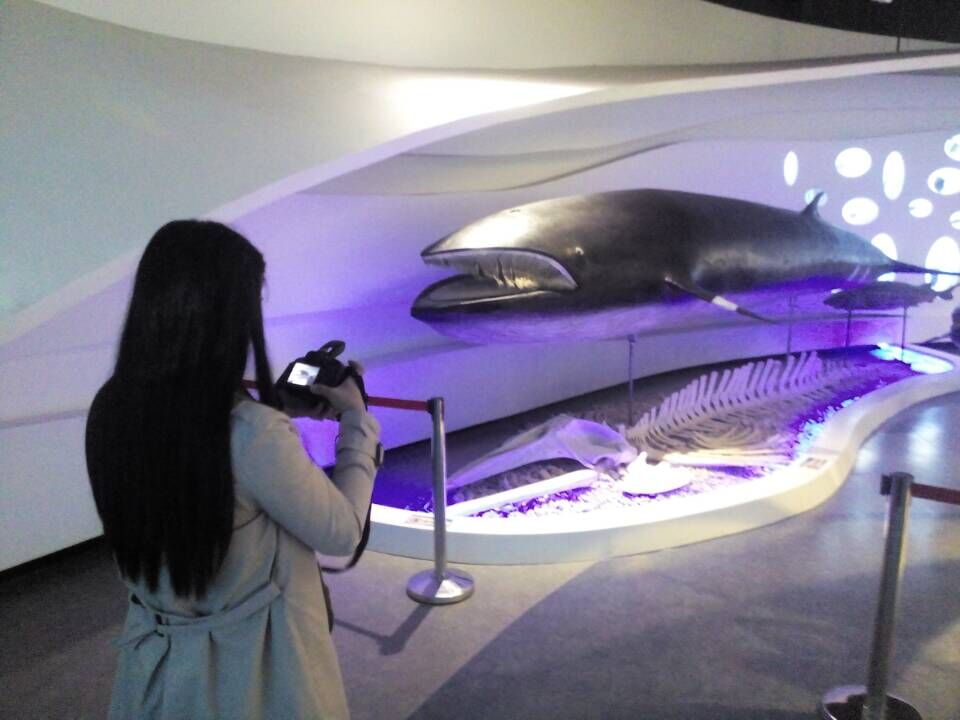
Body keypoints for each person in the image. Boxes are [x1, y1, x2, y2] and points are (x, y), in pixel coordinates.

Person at [85, 220, 381, 719]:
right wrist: (356, 419)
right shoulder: (251, 433)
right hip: (253, 673)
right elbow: (342, 532)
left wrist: (276, 408)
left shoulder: (111, 407)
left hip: (157, 668)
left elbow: (195, 448)